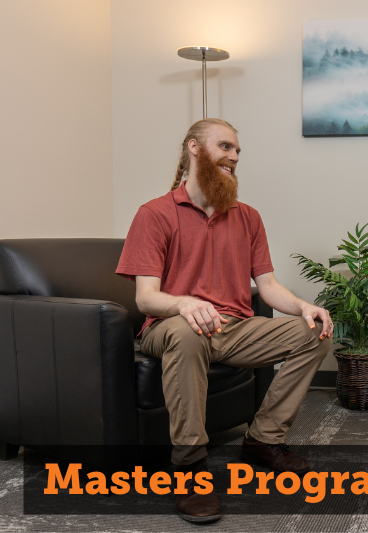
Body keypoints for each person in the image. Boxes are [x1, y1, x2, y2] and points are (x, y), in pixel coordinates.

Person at [116, 118, 333, 523]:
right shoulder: (155, 214)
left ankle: (263, 439)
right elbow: (145, 297)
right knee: (188, 332)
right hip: (169, 328)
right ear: (194, 148)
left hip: (233, 328)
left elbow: (267, 287)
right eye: (225, 147)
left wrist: (304, 307)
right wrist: (183, 304)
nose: (234, 157)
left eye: (237, 152)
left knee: (315, 333)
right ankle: (189, 468)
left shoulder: (247, 216)